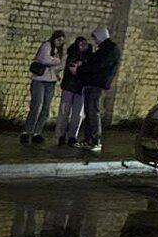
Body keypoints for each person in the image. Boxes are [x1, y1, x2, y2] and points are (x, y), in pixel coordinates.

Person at [75, 25, 121, 153]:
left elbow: (99, 65)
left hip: (97, 84)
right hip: (93, 83)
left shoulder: (110, 49)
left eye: (96, 38)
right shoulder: (105, 49)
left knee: (93, 112)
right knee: (89, 112)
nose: (95, 41)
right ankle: (89, 139)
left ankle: (95, 140)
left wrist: (81, 69)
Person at [20, 30, 66, 144]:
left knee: (46, 107)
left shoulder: (60, 50)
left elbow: (61, 65)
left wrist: (56, 65)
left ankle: (37, 132)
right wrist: (57, 61)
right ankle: (27, 131)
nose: (60, 43)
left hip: (51, 81)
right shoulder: (46, 46)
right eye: (58, 40)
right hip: (39, 79)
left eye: (62, 41)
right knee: (36, 105)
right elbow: (44, 59)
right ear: (54, 38)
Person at [55, 35, 92, 146]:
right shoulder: (71, 55)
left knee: (77, 114)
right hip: (70, 86)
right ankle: (61, 135)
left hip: (80, 88)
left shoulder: (88, 57)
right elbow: (72, 70)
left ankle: (72, 136)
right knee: (64, 112)